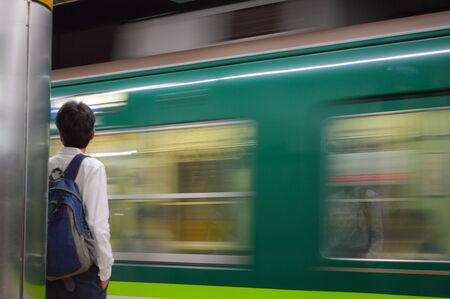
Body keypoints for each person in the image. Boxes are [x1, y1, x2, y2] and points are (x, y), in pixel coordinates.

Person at [47, 101, 114, 299]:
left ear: (60, 135)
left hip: (49, 268)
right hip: (83, 273)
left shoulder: (45, 166)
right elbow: (97, 224)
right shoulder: (93, 167)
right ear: (92, 134)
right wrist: (105, 270)